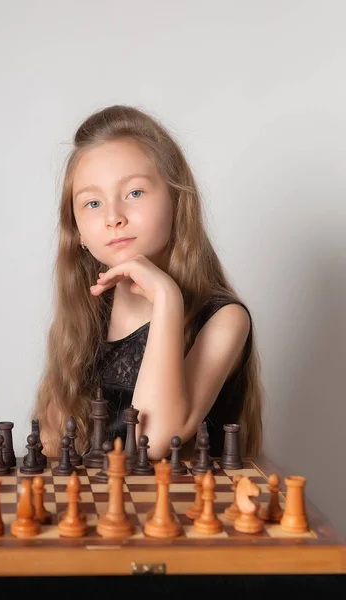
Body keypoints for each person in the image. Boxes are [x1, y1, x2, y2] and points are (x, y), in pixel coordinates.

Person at [32, 104, 264, 462]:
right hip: (103, 510)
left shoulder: (225, 320)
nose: (113, 217)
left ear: (177, 200)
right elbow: (50, 443)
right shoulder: (86, 312)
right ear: (77, 231)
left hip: (175, 512)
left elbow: (153, 441)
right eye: (92, 203)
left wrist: (167, 300)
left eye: (135, 193)